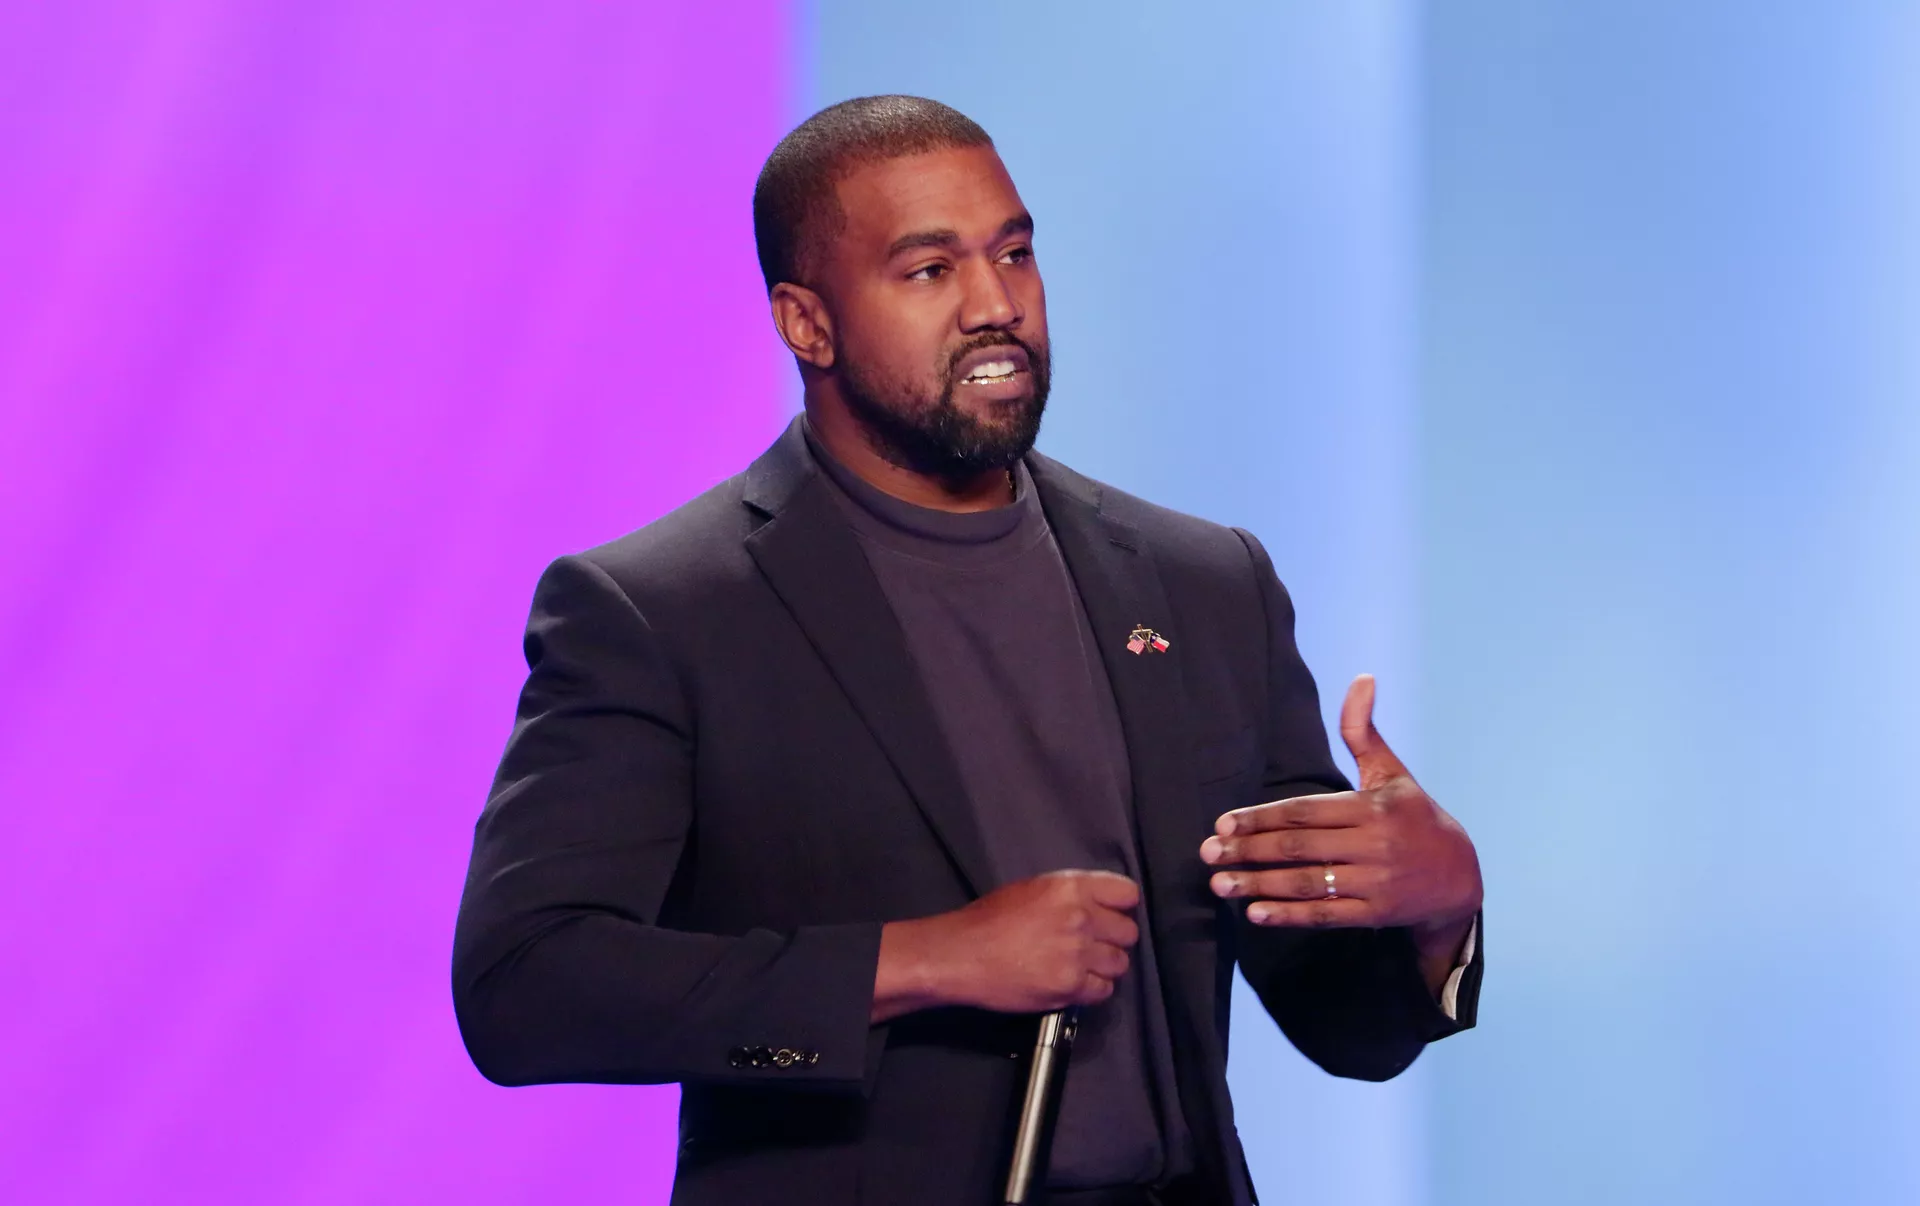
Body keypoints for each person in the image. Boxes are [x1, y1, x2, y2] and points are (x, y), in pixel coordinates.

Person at [453, 95, 1484, 1206]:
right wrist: (926, 960)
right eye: (931, 269)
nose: (997, 306)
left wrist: (1437, 914)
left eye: (1015, 254)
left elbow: (1347, 1026)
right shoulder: (661, 612)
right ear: (808, 324)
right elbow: (526, 991)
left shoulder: (1204, 584)